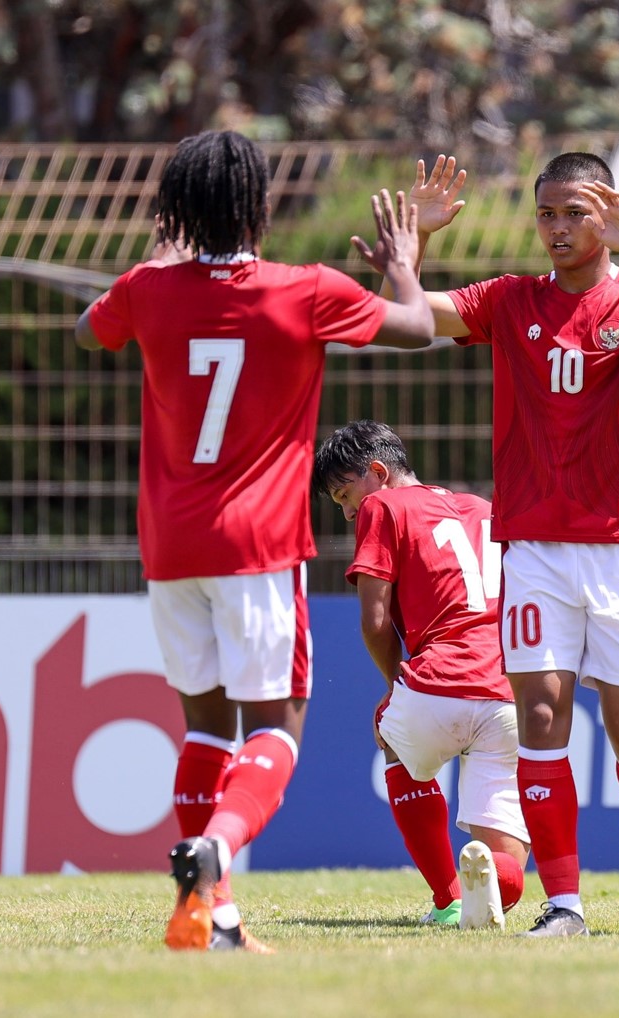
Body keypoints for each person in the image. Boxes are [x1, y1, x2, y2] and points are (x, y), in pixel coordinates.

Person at [74, 130, 436, 953]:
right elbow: (417, 328)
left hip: (171, 548)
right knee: (277, 724)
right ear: (259, 208)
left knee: (205, 727)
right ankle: (218, 851)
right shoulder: (302, 289)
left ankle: (209, 913)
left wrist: (157, 263)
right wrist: (404, 260)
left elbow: (86, 333)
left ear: (179, 211)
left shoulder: (147, 290)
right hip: (258, 549)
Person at [401, 152, 619, 936]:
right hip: (535, 548)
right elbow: (409, 320)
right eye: (546, 214)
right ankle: (566, 903)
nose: (556, 228)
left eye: (574, 212)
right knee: (540, 716)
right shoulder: (510, 301)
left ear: (607, 212)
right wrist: (410, 244)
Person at [311, 419, 529, 932]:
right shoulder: (481, 508)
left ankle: (449, 898)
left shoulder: (382, 506)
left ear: (379, 473)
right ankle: (492, 882)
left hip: (439, 679)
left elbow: (374, 620)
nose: (347, 512)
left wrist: (395, 684)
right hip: (507, 692)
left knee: (390, 732)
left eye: (346, 495)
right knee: (510, 865)